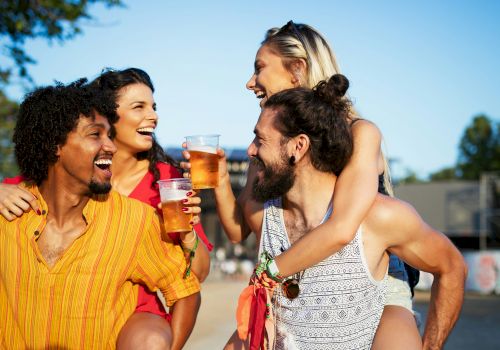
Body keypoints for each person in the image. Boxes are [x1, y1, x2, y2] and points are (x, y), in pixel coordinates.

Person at [198, 21, 420, 348]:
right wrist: (217, 180)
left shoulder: (358, 133)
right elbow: (238, 232)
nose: (250, 82)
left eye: (259, 68)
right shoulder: (265, 144)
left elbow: (342, 228)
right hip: (302, 280)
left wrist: (268, 274)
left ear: (297, 70)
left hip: (374, 283)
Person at [227, 75, 466, 349]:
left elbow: (452, 267)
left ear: (298, 146)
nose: (250, 150)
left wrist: (431, 346)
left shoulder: (377, 218)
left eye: (260, 139)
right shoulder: (262, 214)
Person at [0, 68, 213, 348]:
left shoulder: (161, 187)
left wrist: (188, 234)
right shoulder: (18, 203)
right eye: (139, 107)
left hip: (133, 311)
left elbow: (189, 282)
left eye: (153, 106)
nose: (154, 116)